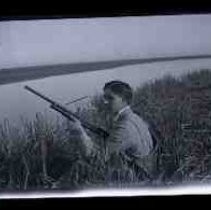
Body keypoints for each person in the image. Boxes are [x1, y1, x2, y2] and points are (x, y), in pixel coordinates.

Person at [68, 80, 154, 183]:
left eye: (110, 98)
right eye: (105, 98)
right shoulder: (135, 117)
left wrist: (80, 133)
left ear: (123, 100)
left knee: (77, 166)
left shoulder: (124, 126)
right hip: (144, 171)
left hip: (134, 178)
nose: (105, 102)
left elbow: (98, 159)